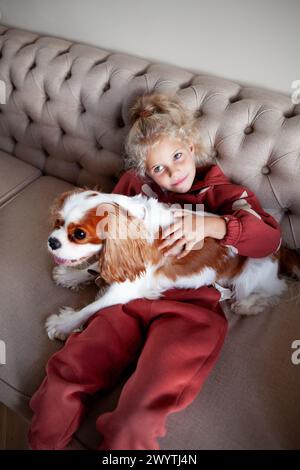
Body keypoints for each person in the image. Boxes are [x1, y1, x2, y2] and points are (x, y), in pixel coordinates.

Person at [28, 93, 281, 450]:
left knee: (141, 412)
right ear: (144, 170)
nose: (172, 173)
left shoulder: (227, 195)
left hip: (192, 308)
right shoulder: (133, 188)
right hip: (125, 300)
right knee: (67, 375)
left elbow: (268, 241)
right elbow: (108, 245)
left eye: (177, 156)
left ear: (192, 147)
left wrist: (213, 225)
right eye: (157, 168)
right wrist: (85, 270)